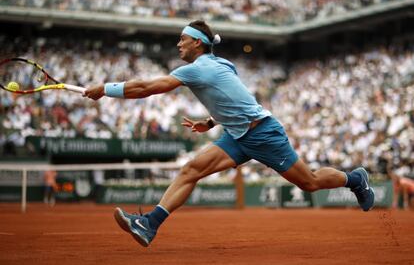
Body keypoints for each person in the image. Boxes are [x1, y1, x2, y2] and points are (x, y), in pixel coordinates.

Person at [85, 20, 375, 247]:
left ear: (197, 43)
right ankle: (150, 224)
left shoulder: (196, 69)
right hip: (237, 136)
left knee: (309, 183)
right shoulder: (222, 64)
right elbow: (232, 98)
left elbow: (147, 88)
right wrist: (211, 123)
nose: (178, 44)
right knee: (191, 170)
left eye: (182, 39)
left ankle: (355, 179)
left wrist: (106, 89)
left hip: (263, 134)